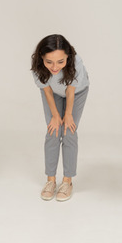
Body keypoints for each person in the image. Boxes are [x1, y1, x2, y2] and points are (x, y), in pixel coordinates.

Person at [31, 34, 89, 201]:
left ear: (68, 57)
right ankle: (50, 180)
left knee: (69, 131)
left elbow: (70, 90)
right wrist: (56, 116)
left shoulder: (76, 62)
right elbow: (47, 90)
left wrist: (68, 115)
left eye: (60, 62)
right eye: (49, 62)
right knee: (53, 131)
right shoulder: (36, 66)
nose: (54, 67)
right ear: (42, 57)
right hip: (53, 93)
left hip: (76, 92)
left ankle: (67, 181)